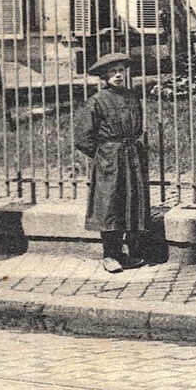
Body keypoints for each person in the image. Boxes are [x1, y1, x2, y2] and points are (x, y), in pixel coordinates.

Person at [76, 52, 151, 273]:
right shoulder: (96, 101)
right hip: (109, 159)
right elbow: (83, 138)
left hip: (131, 157)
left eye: (120, 71)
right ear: (103, 76)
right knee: (109, 205)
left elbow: (139, 127)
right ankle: (109, 255)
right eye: (112, 72)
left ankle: (125, 254)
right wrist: (104, 155)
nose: (118, 75)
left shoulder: (131, 97)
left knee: (130, 203)